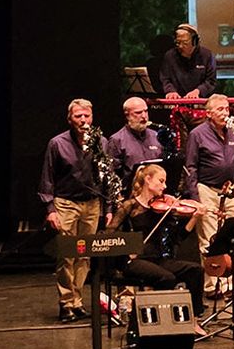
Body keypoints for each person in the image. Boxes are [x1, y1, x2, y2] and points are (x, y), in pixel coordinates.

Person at [37, 98, 107, 321]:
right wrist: (50, 209)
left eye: (86, 116)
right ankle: (66, 302)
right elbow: (47, 179)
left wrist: (109, 206)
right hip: (66, 203)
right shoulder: (57, 144)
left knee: (84, 256)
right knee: (67, 255)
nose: (83, 120)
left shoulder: (101, 142)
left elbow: (107, 178)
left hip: (92, 204)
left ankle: (77, 301)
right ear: (70, 119)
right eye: (78, 116)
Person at [113, 164, 206, 327]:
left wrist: (194, 218)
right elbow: (110, 235)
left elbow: (179, 237)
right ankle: (159, 321)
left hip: (158, 259)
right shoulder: (130, 206)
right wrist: (126, 250)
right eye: (161, 181)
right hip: (135, 261)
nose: (164, 186)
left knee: (196, 271)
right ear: (148, 180)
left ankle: (193, 319)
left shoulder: (165, 209)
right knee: (167, 278)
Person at [182, 94, 234, 292]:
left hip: (230, 190)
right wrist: (195, 198)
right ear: (208, 113)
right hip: (206, 189)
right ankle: (213, 285)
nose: (224, 113)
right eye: (220, 109)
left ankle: (229, 282)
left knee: (233, 234)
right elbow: (190, 167)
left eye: (226, 109)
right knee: (210, 238)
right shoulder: (197, 134)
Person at [106, 96, 164, 190]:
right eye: (138, 112)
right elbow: (112, 175)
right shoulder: (117, 140)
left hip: (156, 193)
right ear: (127, 115)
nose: (144, 116)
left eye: (146, 111)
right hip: (131, 195)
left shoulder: (156, 136)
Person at [158, 24, 217, 99]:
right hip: (176, 102)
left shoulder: (207, 55)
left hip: (201, 101)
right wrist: (170, 91)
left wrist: (198, 91)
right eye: (178, 42)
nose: (180, 46)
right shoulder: (169, 56)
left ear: (195, 42)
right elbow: (165, 79)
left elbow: (211, 81)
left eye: (185, 43)